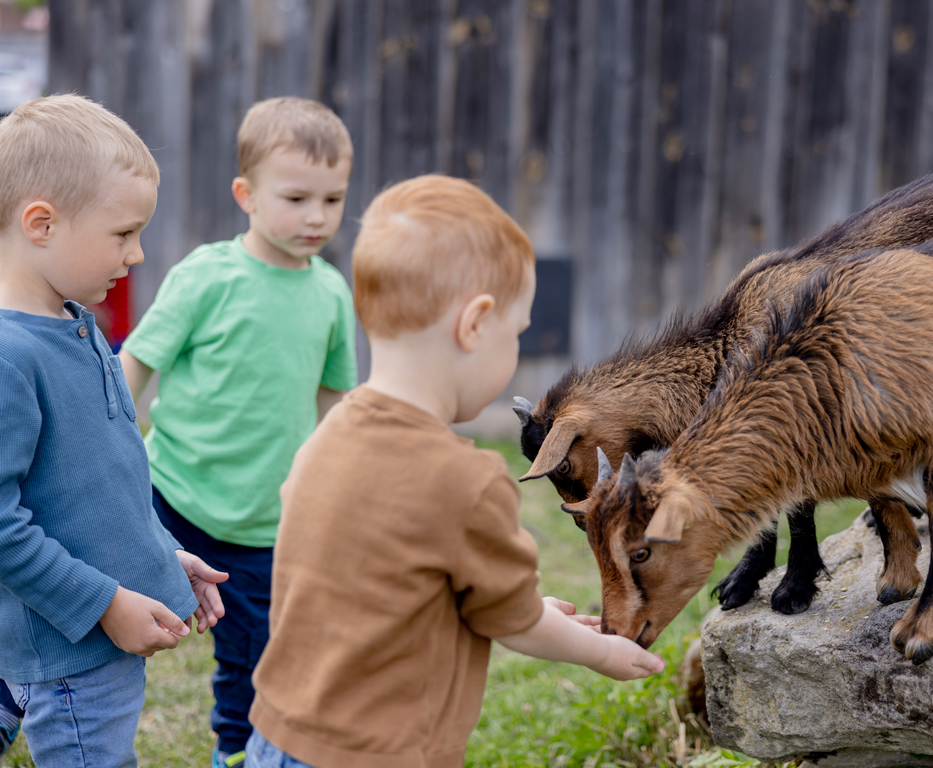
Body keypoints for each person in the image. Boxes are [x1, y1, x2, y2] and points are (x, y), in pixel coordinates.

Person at [245, 175, 666, 768]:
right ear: (474, 325)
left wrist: (527, 608)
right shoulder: (468, 483)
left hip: (278, 737)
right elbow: (518, 626)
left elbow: (386, 583)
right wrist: (599, 654)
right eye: (516, 334)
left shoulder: (326, 437)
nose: (516, 352)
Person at [118, 96, 358, 768]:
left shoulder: (333, 293)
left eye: (333, 199)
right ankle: (18, 691)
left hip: (261, 528)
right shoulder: (208, 275)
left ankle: (236, 752)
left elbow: (338, 399)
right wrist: (106, 445)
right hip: (166, 496)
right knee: (102, 616)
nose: (317, 217)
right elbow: (135, 362)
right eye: (297, 197)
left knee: (254, 655)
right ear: (246, 195)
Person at [0, 94, 226, 767]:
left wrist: (156, 556)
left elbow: (97, 486)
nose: (138, 253)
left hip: (85, 628)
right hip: (71, 649)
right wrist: (104, 604)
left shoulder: (75, 322)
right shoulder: (12, 356)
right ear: (41, 223)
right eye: (123, 233)